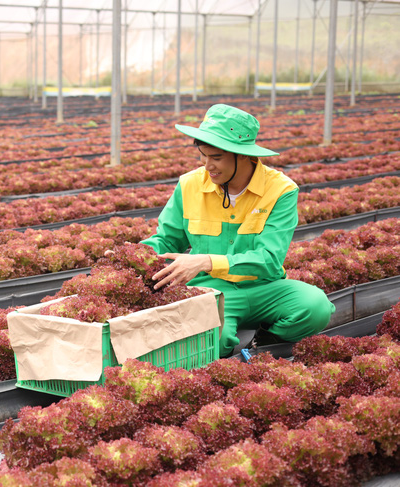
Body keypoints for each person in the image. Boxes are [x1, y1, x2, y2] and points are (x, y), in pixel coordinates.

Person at [140, 103, 335, 358]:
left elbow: (268, 259)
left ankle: (262, 342)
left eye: (216, 158)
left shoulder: (280, 191)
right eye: (203, 155)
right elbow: (166, 240)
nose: (207, 165)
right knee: (213, 342)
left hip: (264, 287)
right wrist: (130, 257)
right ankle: (231, 343)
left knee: (315, 307)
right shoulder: (189, 185)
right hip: (209, 290)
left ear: (243, 155)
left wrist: (207, 261)